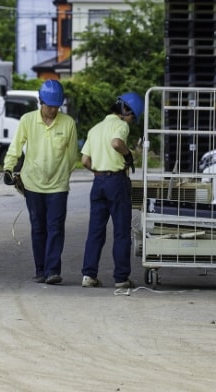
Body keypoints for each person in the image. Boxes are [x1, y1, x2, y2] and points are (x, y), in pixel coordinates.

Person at [3, 79, 78, 285]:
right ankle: (40, 269)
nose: (52, 110)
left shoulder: (68, 123)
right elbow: (16, 146)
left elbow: (72, 157)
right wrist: (8, 168)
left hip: (58, 186)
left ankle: (53, 270)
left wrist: (62, 174)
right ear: (40, 101)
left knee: (55, 227)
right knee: (38, 227)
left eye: (56, 106)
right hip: (33, 184)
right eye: (49, 106)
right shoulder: (27, 120)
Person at [79, 91, 144, 289]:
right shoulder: (120, 125)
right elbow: (116, 143)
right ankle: (121, 277)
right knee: (122, 231)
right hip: (116, 182)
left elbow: (85, 161)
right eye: (132, 116)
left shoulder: (95, 129)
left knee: (95, 231)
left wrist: (99, 171)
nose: (131, 122)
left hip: (98, 183)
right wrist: (128, 156)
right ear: (126, 111)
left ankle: (89, 275)